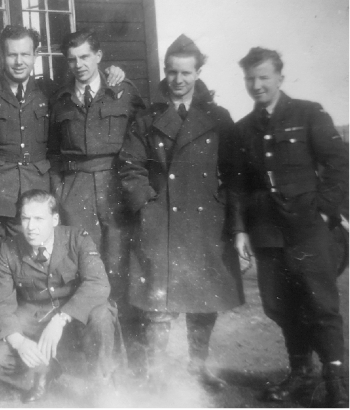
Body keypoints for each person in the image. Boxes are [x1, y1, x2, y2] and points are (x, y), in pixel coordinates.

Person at [0, 25, 125, 344]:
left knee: (43, 279)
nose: (19, 61)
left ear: (35, 57)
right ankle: (1, 347)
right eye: (12, 54)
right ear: (1, 56)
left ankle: (49, 350)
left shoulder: (50, 93)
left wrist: (113, 72)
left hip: (39, 203)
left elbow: (87, 83)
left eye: (25, 54)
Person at [118, 34, 244, 389]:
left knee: (204, 301)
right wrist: (146, 203)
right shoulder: (146, 120)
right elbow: (130, 167)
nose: (178, 80)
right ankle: (157, 372)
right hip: (162, 221)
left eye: (186, 72)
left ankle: (197, 366)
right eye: (172, 72)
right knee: (159, 303)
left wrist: (232, 220)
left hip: (206, 221)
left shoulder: (218, 118)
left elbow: (235, 173)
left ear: (198, 72)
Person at [229, 47, 348, 407]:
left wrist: (326, 212)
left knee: (321, 306)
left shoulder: (309, 113)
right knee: (279, 307)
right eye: (250, 78)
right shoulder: (243, 129)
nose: (257, 85)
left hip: (309, 229)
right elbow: (238, 184)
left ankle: (338, 382)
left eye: (264, 77)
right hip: (267, 232)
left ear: (280, 77)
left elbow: (339, 163)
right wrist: (240, 229)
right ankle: (302, 374)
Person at [0, 189, 122, 403]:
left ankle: (100, 383)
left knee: (102, 314)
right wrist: (19, 342)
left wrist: (62, 318)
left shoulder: (77, 239)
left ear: (54, 219)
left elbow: (98, 283)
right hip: (35, 314)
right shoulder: (8, 251)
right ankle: (43, 372)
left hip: (75, 313)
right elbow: (0, 305)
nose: (31, 227)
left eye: (39, 219)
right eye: (26, 218)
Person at [48, 28, 145, 316]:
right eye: (71, 59)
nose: (79, 65)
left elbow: (143, 139)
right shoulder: (60, 100)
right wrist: (59, 190)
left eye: (85, 57)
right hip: (75, 189)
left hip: (116, 186)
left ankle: (125, 345)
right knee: (82, 263)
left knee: (120, 265)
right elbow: (52, 150)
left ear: (99, 56)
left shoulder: (124, 91)